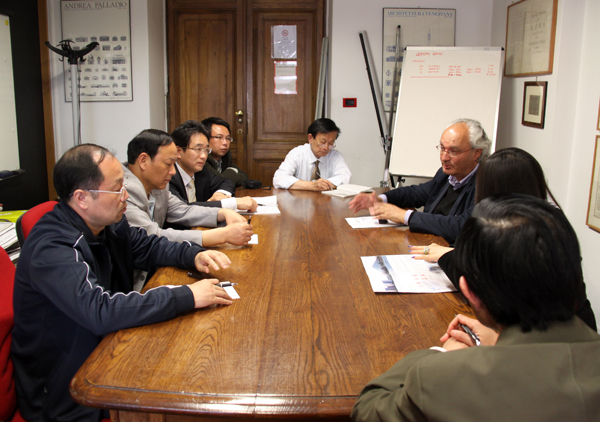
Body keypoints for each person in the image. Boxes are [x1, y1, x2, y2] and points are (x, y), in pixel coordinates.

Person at [11, 144, 233, 422]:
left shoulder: (107, 222)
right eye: (117, 189)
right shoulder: (53, 246)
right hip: (66, 390)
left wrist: (194, 255)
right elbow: (98, 310)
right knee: (189, 390)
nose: (125, 195)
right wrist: (186, 295)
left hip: (106, 348)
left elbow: (148, 246)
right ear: (82, 198)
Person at [351, 195, 600, 422]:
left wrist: (437, 353)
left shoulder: (441, 378)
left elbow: (368, 409)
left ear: (471, 292)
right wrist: (502, 342)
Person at [409, 147, 596, 330]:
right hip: (576, 329)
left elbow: (479, 280)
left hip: (541, 334)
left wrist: (447, 256)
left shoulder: (505, 229)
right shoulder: (554, 218)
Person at [123, 129, 253, 289]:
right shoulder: (122, 192)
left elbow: (182, 210)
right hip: (134, 284)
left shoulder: (156, 183)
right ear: (143, 161)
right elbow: (153, 237)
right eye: (168, 164)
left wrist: (222, 212)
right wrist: (222, 235)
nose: (173, 171)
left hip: (160, 266)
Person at [349, 118, 491, 243]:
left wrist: (404, 216)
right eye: (442, 148)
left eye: (454, 151)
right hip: (428, 242)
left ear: (476, 153)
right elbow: (415, 193)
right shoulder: (445, 174)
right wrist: (381, 199)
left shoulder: (487, 183)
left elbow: (461, 226)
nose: (444, 157)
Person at [170, 120, 258, 211]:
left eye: (206, 150)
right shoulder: (169, 176)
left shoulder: (200, 172)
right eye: (198, 149)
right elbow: (182, 209)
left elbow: (225, 182)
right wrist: (231, 203)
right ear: (178, 152)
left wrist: (220, 194)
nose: (204, 156)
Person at [273, 118, 351, 191]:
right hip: (300, 199)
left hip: (326, 200)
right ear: (310, 138)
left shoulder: (336, 156)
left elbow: (345, 177)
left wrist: (323, 185)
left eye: (331, 143)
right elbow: (279, 179)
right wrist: (311, 185)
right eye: (322, 142)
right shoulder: (297, 153)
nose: (326, 148)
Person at [202, 117, 249, 188]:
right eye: (219, 137)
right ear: (205, 139)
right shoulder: (201, 159)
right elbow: (219, 182)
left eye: (228, 138)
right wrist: (232, 171)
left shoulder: (225, 158)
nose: (225, 143)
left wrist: (225, 177)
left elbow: (245, 178)